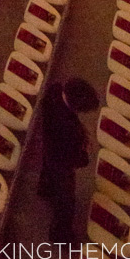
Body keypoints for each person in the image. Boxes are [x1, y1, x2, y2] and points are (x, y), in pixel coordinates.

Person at [37, 77, 100, 243]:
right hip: (60, 162)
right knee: (66, 201)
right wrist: (84, 152)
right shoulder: (69, 131)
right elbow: (73, 158)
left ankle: (45, 189)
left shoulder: (55, 90)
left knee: (47, 169)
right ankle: (60, 235)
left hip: (48, 146)